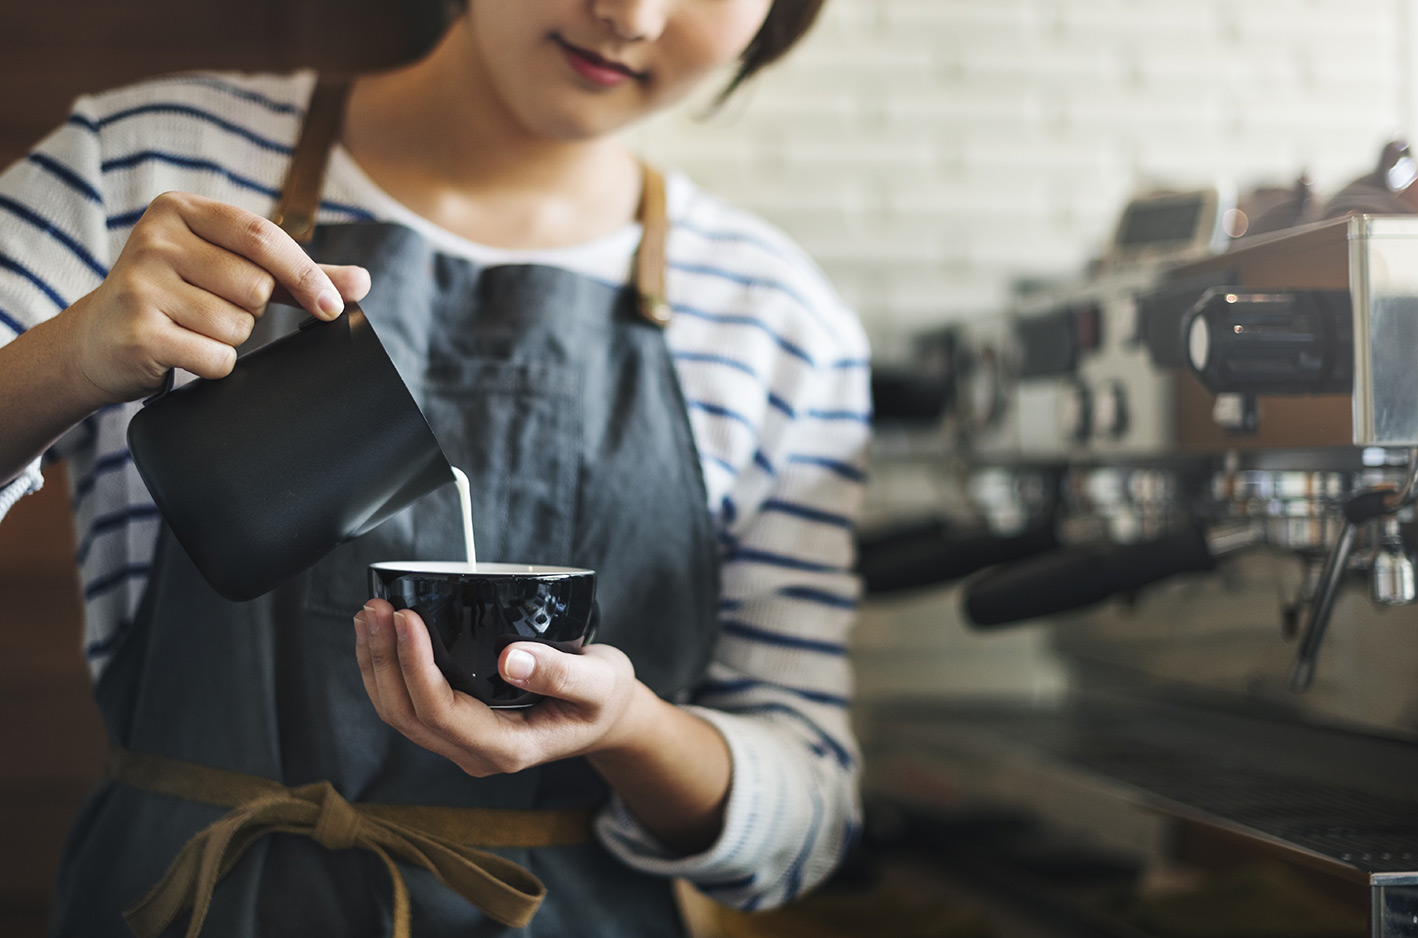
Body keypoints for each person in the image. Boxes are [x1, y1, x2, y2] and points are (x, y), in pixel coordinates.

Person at [0, 0, 870, 935]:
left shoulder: (777, 322)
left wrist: (632, 729)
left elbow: (808, 818)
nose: (630, 14)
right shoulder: (142, 165)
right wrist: (70, 358)